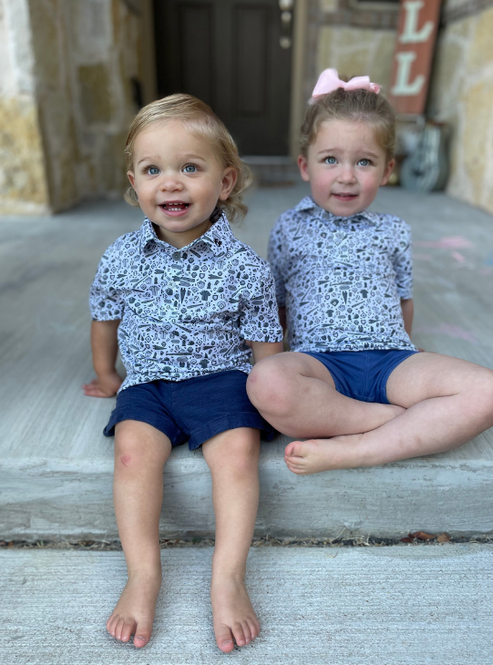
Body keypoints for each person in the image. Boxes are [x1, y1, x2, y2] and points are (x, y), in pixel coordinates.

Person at [82, 94, 283, 652]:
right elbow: (104, 316)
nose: (170, 182)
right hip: (147, 383)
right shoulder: (122, 255)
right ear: (134, 183)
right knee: (132, 455)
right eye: (153, 170)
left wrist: (272, 401)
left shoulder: (245, 267)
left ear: (225, 181)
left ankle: (228, 577)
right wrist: (107, 374)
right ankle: (143, 574)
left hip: (222, 379)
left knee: (237, 456)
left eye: (190, 168)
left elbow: (265, 341)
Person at [247, 69, 493, 476]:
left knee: (491, 392)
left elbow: (404, 300)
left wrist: (409, 357)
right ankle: (392, 421)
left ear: (387, 171)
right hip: (319, 363)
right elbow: (278, 303)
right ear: (305, 165)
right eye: (330, 159)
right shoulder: (288, 227)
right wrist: (287, 365)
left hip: (391, 360)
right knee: (265, 382)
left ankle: (360, 448)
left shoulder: (393, 230)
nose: (347, 175)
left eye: (364, 162)